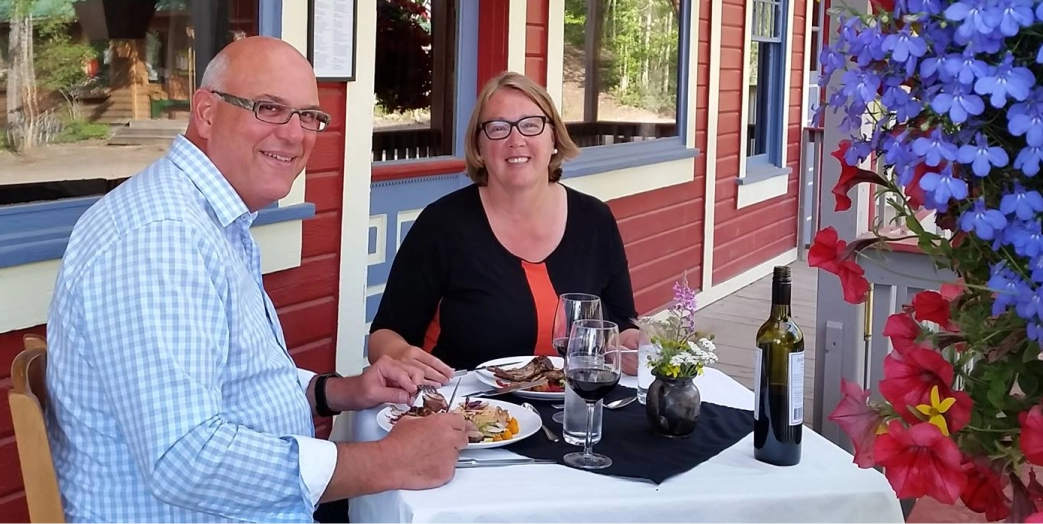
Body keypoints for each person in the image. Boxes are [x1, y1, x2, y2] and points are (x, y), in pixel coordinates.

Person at [45, 37, 468, 523]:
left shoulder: (211, 220)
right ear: (205, 113)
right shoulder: (160, 238)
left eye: (309, 116)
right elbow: (186, 460)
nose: (295, 134)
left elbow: (237, 383)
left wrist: (344, 391)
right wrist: (391, 461)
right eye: (269, 108)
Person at [368, 71, 640, 383]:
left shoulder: (595, 219)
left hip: (573, 406)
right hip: (467, 414)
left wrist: (631, 344)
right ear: (479, 147)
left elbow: (622, 323)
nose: (516, 140)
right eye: (498, 128)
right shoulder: (442, 226)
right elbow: (383, 337)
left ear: (554, 138)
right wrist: (400, 354)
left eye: (531, 124)